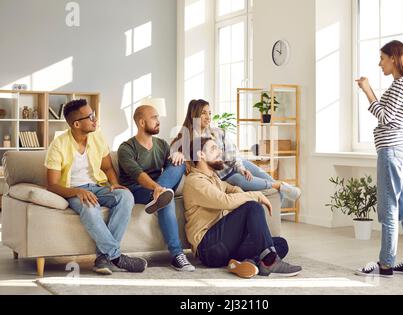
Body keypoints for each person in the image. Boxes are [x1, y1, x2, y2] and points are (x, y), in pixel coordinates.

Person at [45, 99, 147, 275]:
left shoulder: (97, 136)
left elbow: (107, 167)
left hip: (98, 186)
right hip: (73, 191)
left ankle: (103, 258)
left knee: (126, 196)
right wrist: (77, 191)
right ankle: (116, 257)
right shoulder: (58, 145)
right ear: (76, 124)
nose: (95, 119)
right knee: (91, 209)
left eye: (94, 114)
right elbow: (52, 185)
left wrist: (114, 184)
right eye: (90, 116)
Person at [182, 136, 302, 278]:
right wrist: (255, 195)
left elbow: (232, 189)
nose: (220, 151)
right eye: (213, 149)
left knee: (280, 244)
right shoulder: (195, 182)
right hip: (209, 248)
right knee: (251, 206)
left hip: (226, 244)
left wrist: (242, 195)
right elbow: (224, 201)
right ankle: (269, 262)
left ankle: (244, 263)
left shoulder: (214, 178)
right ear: (200, 155)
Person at [355, 40, 403, 278]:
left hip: (391, 152)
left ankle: (385, 264)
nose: (379, 63)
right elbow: (387, 114)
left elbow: (383, 117)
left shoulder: (399, 84)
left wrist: (366, 90)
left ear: (394, 59)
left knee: (389, 209)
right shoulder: (402, 84)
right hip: (399, 150)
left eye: (382, 58)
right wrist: (370, 89)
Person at [171, 99, 301, 202]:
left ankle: (280, 189)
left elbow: (234, 154)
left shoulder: (218, 133)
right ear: (194, 115)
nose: (208, 116)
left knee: (268, 180)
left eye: (210, 113)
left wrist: (241, 168)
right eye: (203, 113)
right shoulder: (188, 140)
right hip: (226, 177)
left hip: (237, 164)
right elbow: (175, 153)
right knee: (241, 181)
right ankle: (280, 185)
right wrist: (179, 155)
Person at [118, 103, 195, 272]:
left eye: (158, 117)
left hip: (158, 188)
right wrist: (158, 189)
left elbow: (173, 169)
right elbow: (138, 175)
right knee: (166, 196)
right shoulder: (126, 148)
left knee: (179, 165)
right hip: (137, 190)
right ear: (141, 122)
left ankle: (160, 195)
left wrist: (178, 155)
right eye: (154, 117)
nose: (159, 121)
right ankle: (176, 255)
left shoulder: (161, 145)